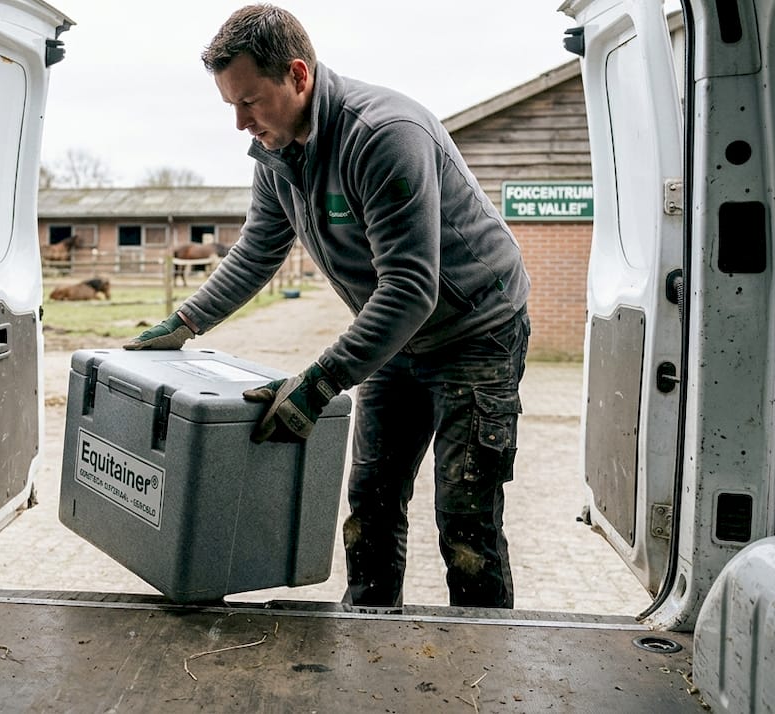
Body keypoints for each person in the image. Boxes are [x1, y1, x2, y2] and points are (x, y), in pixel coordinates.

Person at [125, 3, 530, 611]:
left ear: (298, 75)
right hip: (397, 336)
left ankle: (479, 672)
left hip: (474, 331)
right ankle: (366, 636)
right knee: (371, 500)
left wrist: (317, 384)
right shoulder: (277, 151)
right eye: (229, 105)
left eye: (250, 101)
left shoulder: (383, 136)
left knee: (465, 517)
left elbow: (412, 287)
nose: (239, 123)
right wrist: (184, 323)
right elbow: (258, 250)